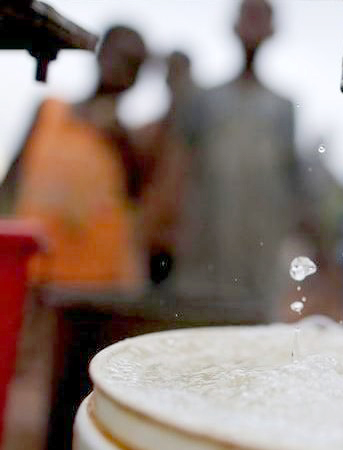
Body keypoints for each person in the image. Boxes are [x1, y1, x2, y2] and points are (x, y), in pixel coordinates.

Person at [1, 26, 148, 449]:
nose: (120, 69)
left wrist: (119, 139)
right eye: (116, 55)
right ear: (99, 55)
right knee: (18, 374)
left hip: (93, 289)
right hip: (34, 278)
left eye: (132, 65)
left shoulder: (126, 137)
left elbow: (143, 193)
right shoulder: (49, 109)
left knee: (71, 392)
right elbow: (12, 178)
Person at [169, 0, 305, 323]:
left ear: (272, 30)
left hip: (258, 261)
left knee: (251, 340)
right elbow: (177, 168)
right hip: (204, 255)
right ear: (233, 26)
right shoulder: (203, 101)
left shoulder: (282, 108)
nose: (253, 28)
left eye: (261, 19)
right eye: (248, 17)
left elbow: (293, 183)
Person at [136, 51, 197, 285]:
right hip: (150, 245)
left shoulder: (201, 139)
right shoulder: (150, 133)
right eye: (172, 75)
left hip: (187, 247)